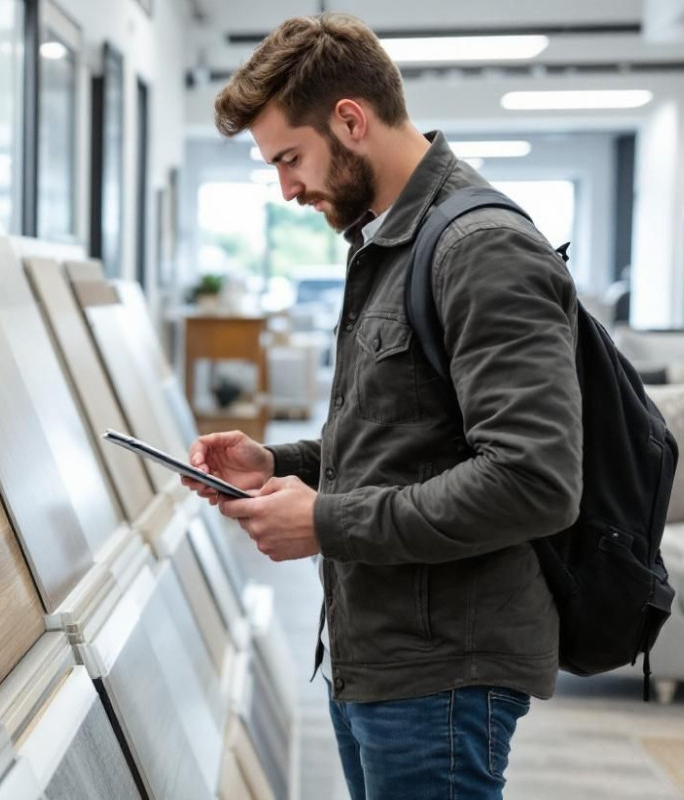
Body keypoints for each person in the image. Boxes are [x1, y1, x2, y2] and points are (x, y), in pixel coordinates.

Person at [184, 12, 583, 799]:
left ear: (351, 120)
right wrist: (282, 465)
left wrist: (323, 520)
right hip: (379, 652)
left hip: (442, 673)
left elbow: (534, 480)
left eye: (290, 159)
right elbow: (406, 438)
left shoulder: (481, 248)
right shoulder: (388, 243)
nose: (287, 187)